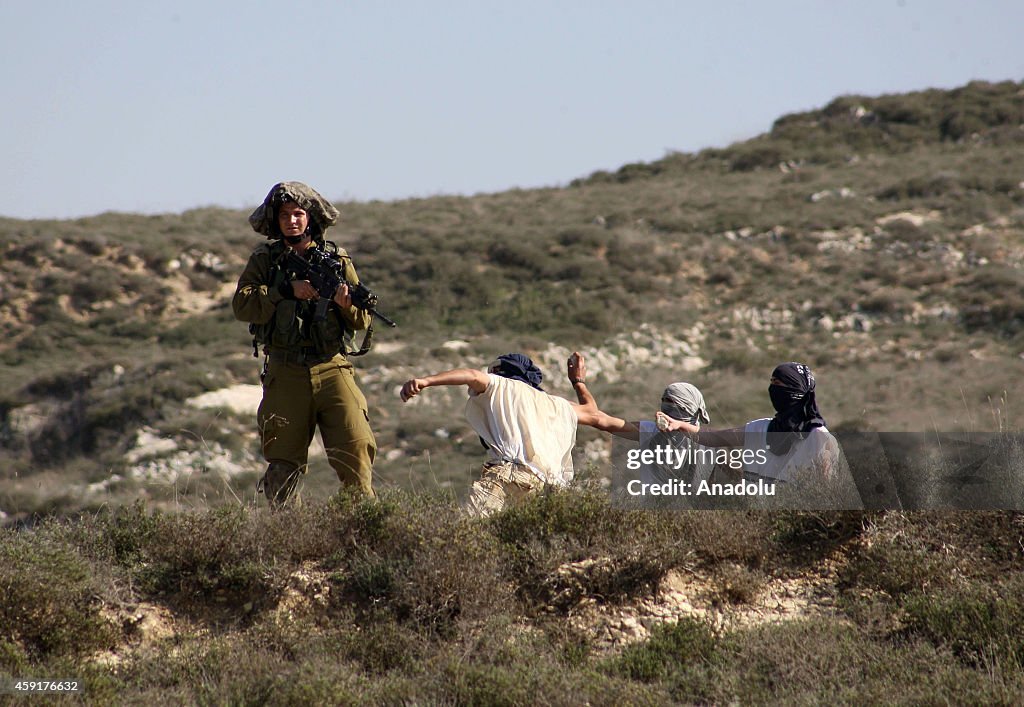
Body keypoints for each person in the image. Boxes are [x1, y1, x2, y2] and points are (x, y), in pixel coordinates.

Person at [232, 181, 376, 507]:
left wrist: (345, 303)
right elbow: (242, 305)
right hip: (285, 372)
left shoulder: (336, 259)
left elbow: (361, 319)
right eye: (285, 215)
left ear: (310, 218)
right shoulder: (265, 261)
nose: (292, 221)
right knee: (283, 464)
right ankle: (291, 540)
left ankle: (363, 527)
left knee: (355, 448)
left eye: (298, 214)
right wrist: (284, 290)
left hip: (332, 366)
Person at [398, 352, 605, 517]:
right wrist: (578, 381)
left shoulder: (500, 385)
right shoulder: (554, 404)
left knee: (466, 532)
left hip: (508, 475)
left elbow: (471, 375)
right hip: (546, 488)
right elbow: (594, 414)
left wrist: (426, 381)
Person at [656, 362, 862, 508]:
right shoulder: (760, 428)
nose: (773, 389)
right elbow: (716, 437)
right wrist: (680, 425)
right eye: (772, 382)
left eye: (779, 384)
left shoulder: (821, 440)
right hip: (756, 522)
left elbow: (828, 494)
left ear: (797, 392)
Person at [565, 353, 715, 487]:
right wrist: (576, 386)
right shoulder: (651, 431)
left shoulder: (708, 443)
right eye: (664, 401)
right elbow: (599, 420)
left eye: (673, 403)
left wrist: (578, 383)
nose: (666, 407)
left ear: (691, 408)